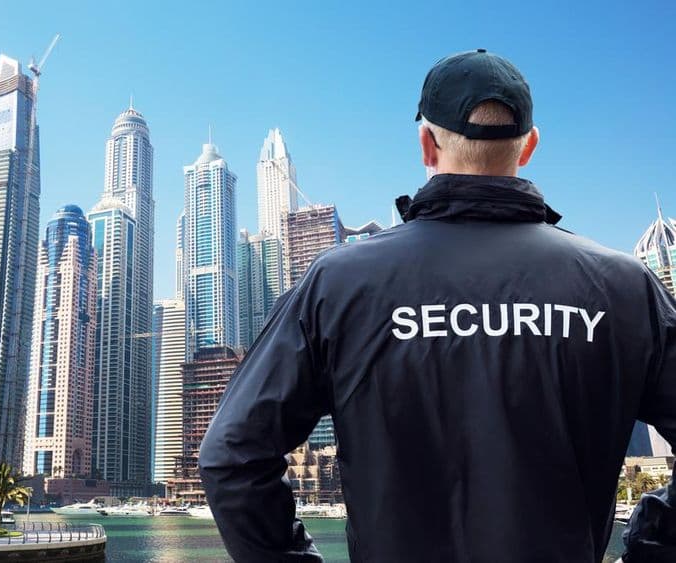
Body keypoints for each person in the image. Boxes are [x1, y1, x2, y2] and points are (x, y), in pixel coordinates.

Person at [199, 49, 676, 562]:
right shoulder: (624, 287)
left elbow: (232, 455)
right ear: (530, 146)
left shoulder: (339, 283)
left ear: (426, 143)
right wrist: (652, 547)